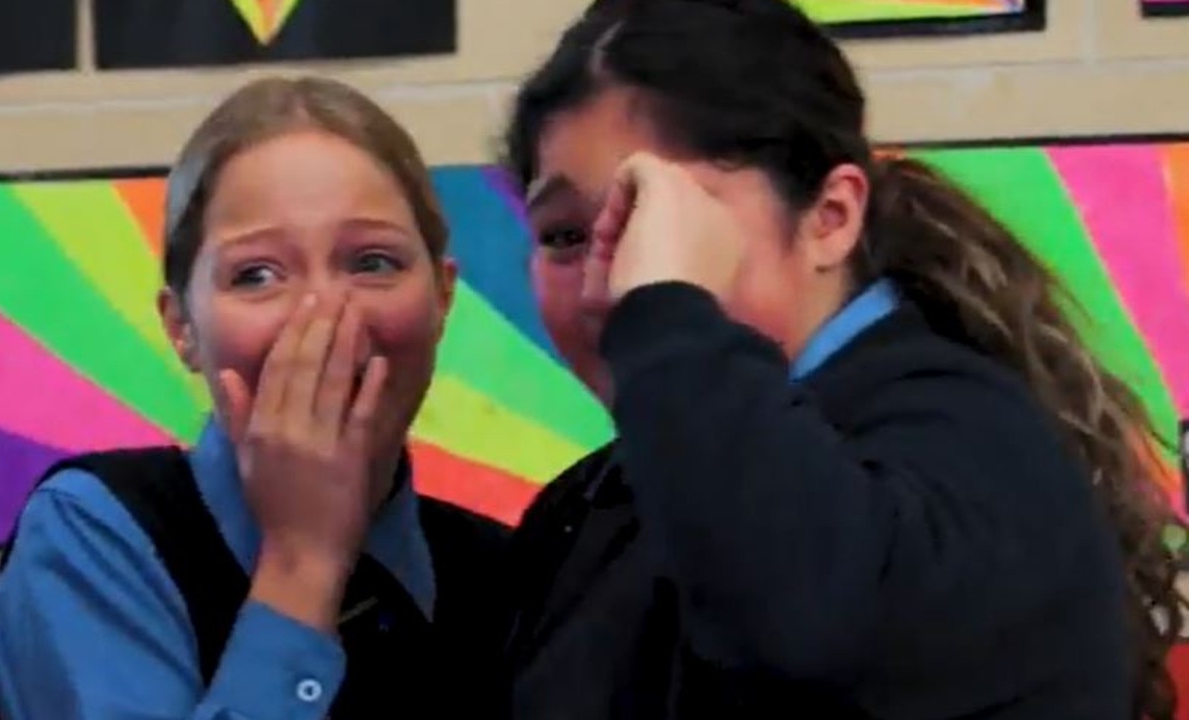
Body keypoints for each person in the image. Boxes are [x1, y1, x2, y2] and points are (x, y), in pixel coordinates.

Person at [498, 1, 1186, 718]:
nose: (611, 282)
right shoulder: (591, 503)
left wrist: (671, 310)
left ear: (830, 218)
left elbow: (796, 617)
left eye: (654, 221)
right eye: (565, 237)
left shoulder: (976, 448)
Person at [0, 76, 510, 720]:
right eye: (256, 274)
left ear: (443, 297)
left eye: (372, 262)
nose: (323, 315)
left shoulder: (508, 573)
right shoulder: (94, 535)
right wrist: (303, 561)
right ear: (182, 327)